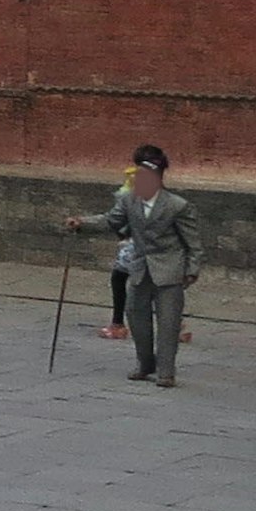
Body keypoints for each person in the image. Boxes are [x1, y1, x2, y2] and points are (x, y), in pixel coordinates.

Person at [61, 145, 196, 386]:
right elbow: (110, 220)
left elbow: (193, 243)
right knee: (136, 317)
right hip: (140, 267)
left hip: (169, 268)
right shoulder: (128, 201)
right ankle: (145, 363)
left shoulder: (177, 205)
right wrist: (82, 222)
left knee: (168, 322)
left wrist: (192, 268)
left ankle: (166, 371)